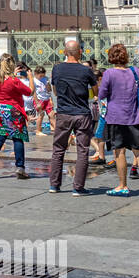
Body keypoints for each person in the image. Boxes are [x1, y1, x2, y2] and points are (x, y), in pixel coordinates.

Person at [99, 43, 139, 198]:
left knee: (119, 152)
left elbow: (102, 94)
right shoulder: (137, 72)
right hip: (134, 118)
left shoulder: (109, 74)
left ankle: (123, 186)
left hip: (115, 118)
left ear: (111, 57)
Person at [49, 42, 97, 194]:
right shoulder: (86, 70)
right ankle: (78, 187)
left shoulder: (57, 68)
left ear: (64, 51)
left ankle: (54, 185)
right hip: (82, 113)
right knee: (83, 151)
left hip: (63, 113)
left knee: (58, 150)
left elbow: (55, 91)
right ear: (80, 52)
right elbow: (96, 91)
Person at [0, 55, 32, 180]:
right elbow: (29, 92)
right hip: (13, 111)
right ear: (12, 65)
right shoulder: (14, 80)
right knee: (17, 138)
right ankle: (20, 168)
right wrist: (30, 77)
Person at [32, 66, 53, 134]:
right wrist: (37, 102)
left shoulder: (45, 79)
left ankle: (54, 129)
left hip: (47, 99)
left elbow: (49, 90)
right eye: (40, 76)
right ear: (35, 73)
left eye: (43, 76)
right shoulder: (33, 80)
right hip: (39, 99)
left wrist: (48, 84)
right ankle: (38, 130)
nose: (42, 77)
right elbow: (33, 92)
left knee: (52, 114)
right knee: (41, 114)